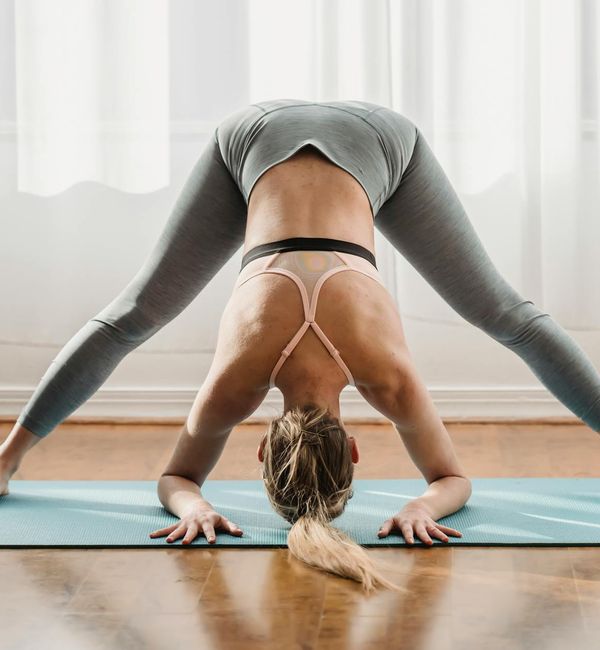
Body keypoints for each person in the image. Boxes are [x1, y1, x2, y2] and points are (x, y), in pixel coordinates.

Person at [2, 99, 600, 593]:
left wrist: (423, 506)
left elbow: (451, 480)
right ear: (263, 448)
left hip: (378, 141)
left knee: (507, 316)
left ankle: (5, 460)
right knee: (130, 317)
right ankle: (3, 461)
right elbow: (176, 479)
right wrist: (193, 507)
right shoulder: (238, 381)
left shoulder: (385, 378)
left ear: (357, 450)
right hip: (254, 136)